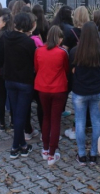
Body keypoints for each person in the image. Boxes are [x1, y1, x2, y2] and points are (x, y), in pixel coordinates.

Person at [70, 21, 100, 165]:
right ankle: (93, 154)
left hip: (80, 91)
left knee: (80, 122)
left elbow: (71, 69)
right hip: (97, 90)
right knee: (97, 122)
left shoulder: (75, 51)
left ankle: (81, 154)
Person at [3, 12, 37, 158]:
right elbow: (33, 62)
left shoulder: (5, 37)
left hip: (9, 79)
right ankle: (15, 147)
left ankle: (22, 145)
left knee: (16, 112)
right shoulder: (29, 42)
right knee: (20, 115)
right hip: (24, 81)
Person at [34, 25, 69, 166]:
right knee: (55, 120)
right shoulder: (62, 53)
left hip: (42, 88)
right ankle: (52, 153)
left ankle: (45, 148)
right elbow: (66, 69)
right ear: (59, 39)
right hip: (58, 89)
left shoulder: (38, 51)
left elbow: (36, 68)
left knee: (46, 118)